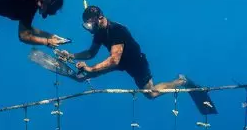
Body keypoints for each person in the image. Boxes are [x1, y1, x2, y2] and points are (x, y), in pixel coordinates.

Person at [55, 5, 187, 99]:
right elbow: (91, 53)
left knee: (150, 94)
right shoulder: (99, 31)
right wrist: (72, 55)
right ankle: (81, 76)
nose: (89, 29)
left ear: (100, 18)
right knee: (86, 75)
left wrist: (90, 68)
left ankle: (181, 81)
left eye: (90, 25)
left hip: (136, 63)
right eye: (86, 26)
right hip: (120, 62)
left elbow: (114, 60)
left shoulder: (117, 30)